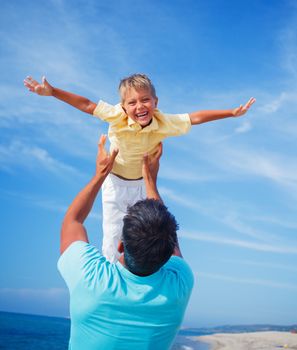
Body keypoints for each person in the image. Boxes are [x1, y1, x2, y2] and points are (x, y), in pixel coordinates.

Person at [24, 74, 256, 262]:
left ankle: (149, 274)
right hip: (114, 181)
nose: (140, 106)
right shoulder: (116, 116)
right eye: (132, 102)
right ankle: (115, 276)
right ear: (123, 107)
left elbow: (194, 118)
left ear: (156, 102)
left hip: (143, 184)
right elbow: (86, 105)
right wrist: (53, 92)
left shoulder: (165, 122)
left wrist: (231, 113)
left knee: (153, 233)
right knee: (114, 233)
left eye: (145, 100)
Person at [58, 135, 194, 350]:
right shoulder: (180, 284)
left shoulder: (91, 279)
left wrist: (100, 175)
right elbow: (168, 236)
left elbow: (72, 221)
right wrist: (150, 181)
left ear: (120, 245)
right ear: (169, 254)